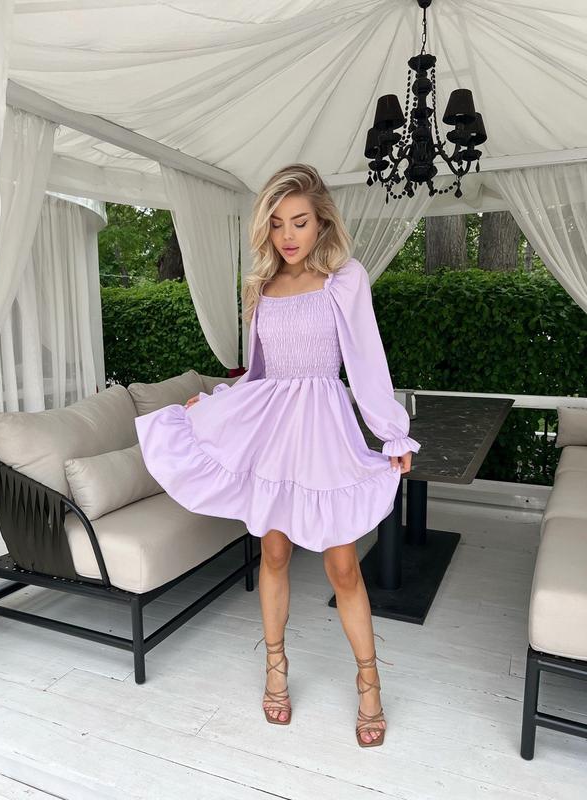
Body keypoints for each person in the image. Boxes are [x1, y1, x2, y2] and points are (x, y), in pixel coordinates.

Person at [135, 163, 421, 747]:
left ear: (321, 224)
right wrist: (214, 402)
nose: (288, 235)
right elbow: (259, 376)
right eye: (277, 223)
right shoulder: (261, 289)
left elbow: (367, 362)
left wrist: (392, 433)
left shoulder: (345, 279)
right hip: (273, 434)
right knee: (273, 552)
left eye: (300, 222)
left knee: (343, 565)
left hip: (325, 433)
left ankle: (369, 682)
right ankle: (276, 668)